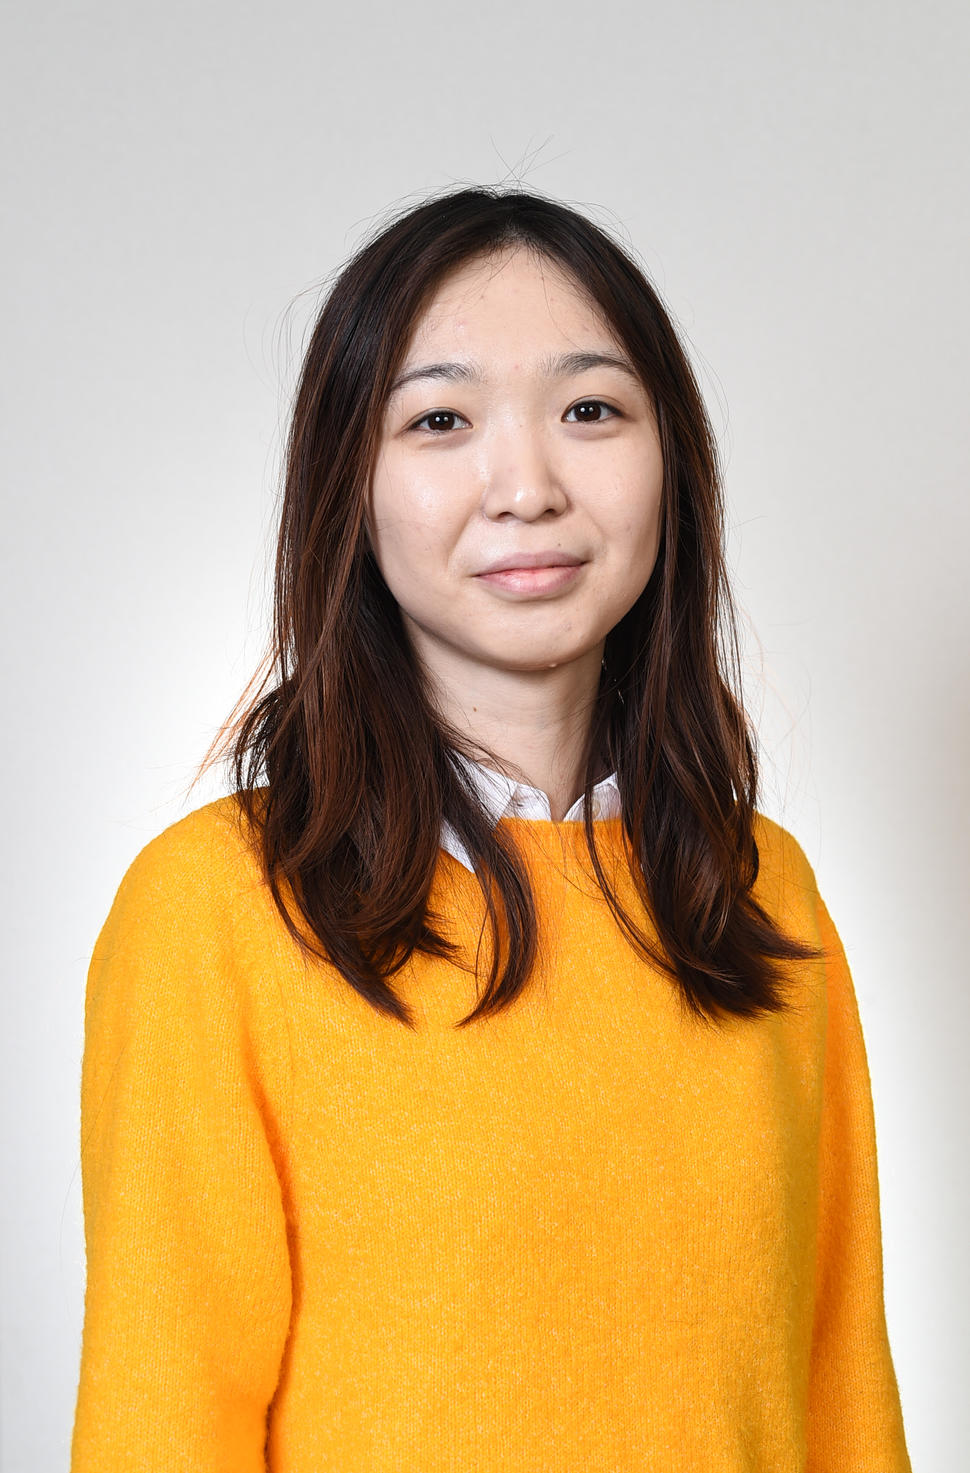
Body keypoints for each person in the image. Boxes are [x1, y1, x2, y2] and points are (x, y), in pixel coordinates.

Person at [70, 187, 912, 1471]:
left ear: (672, 457)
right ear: (348, 485)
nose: (525, 487)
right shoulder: (218, 908)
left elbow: (843, 1390)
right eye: (439, 420)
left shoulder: (755, 889)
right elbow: (160, 1423)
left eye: (590, 410)